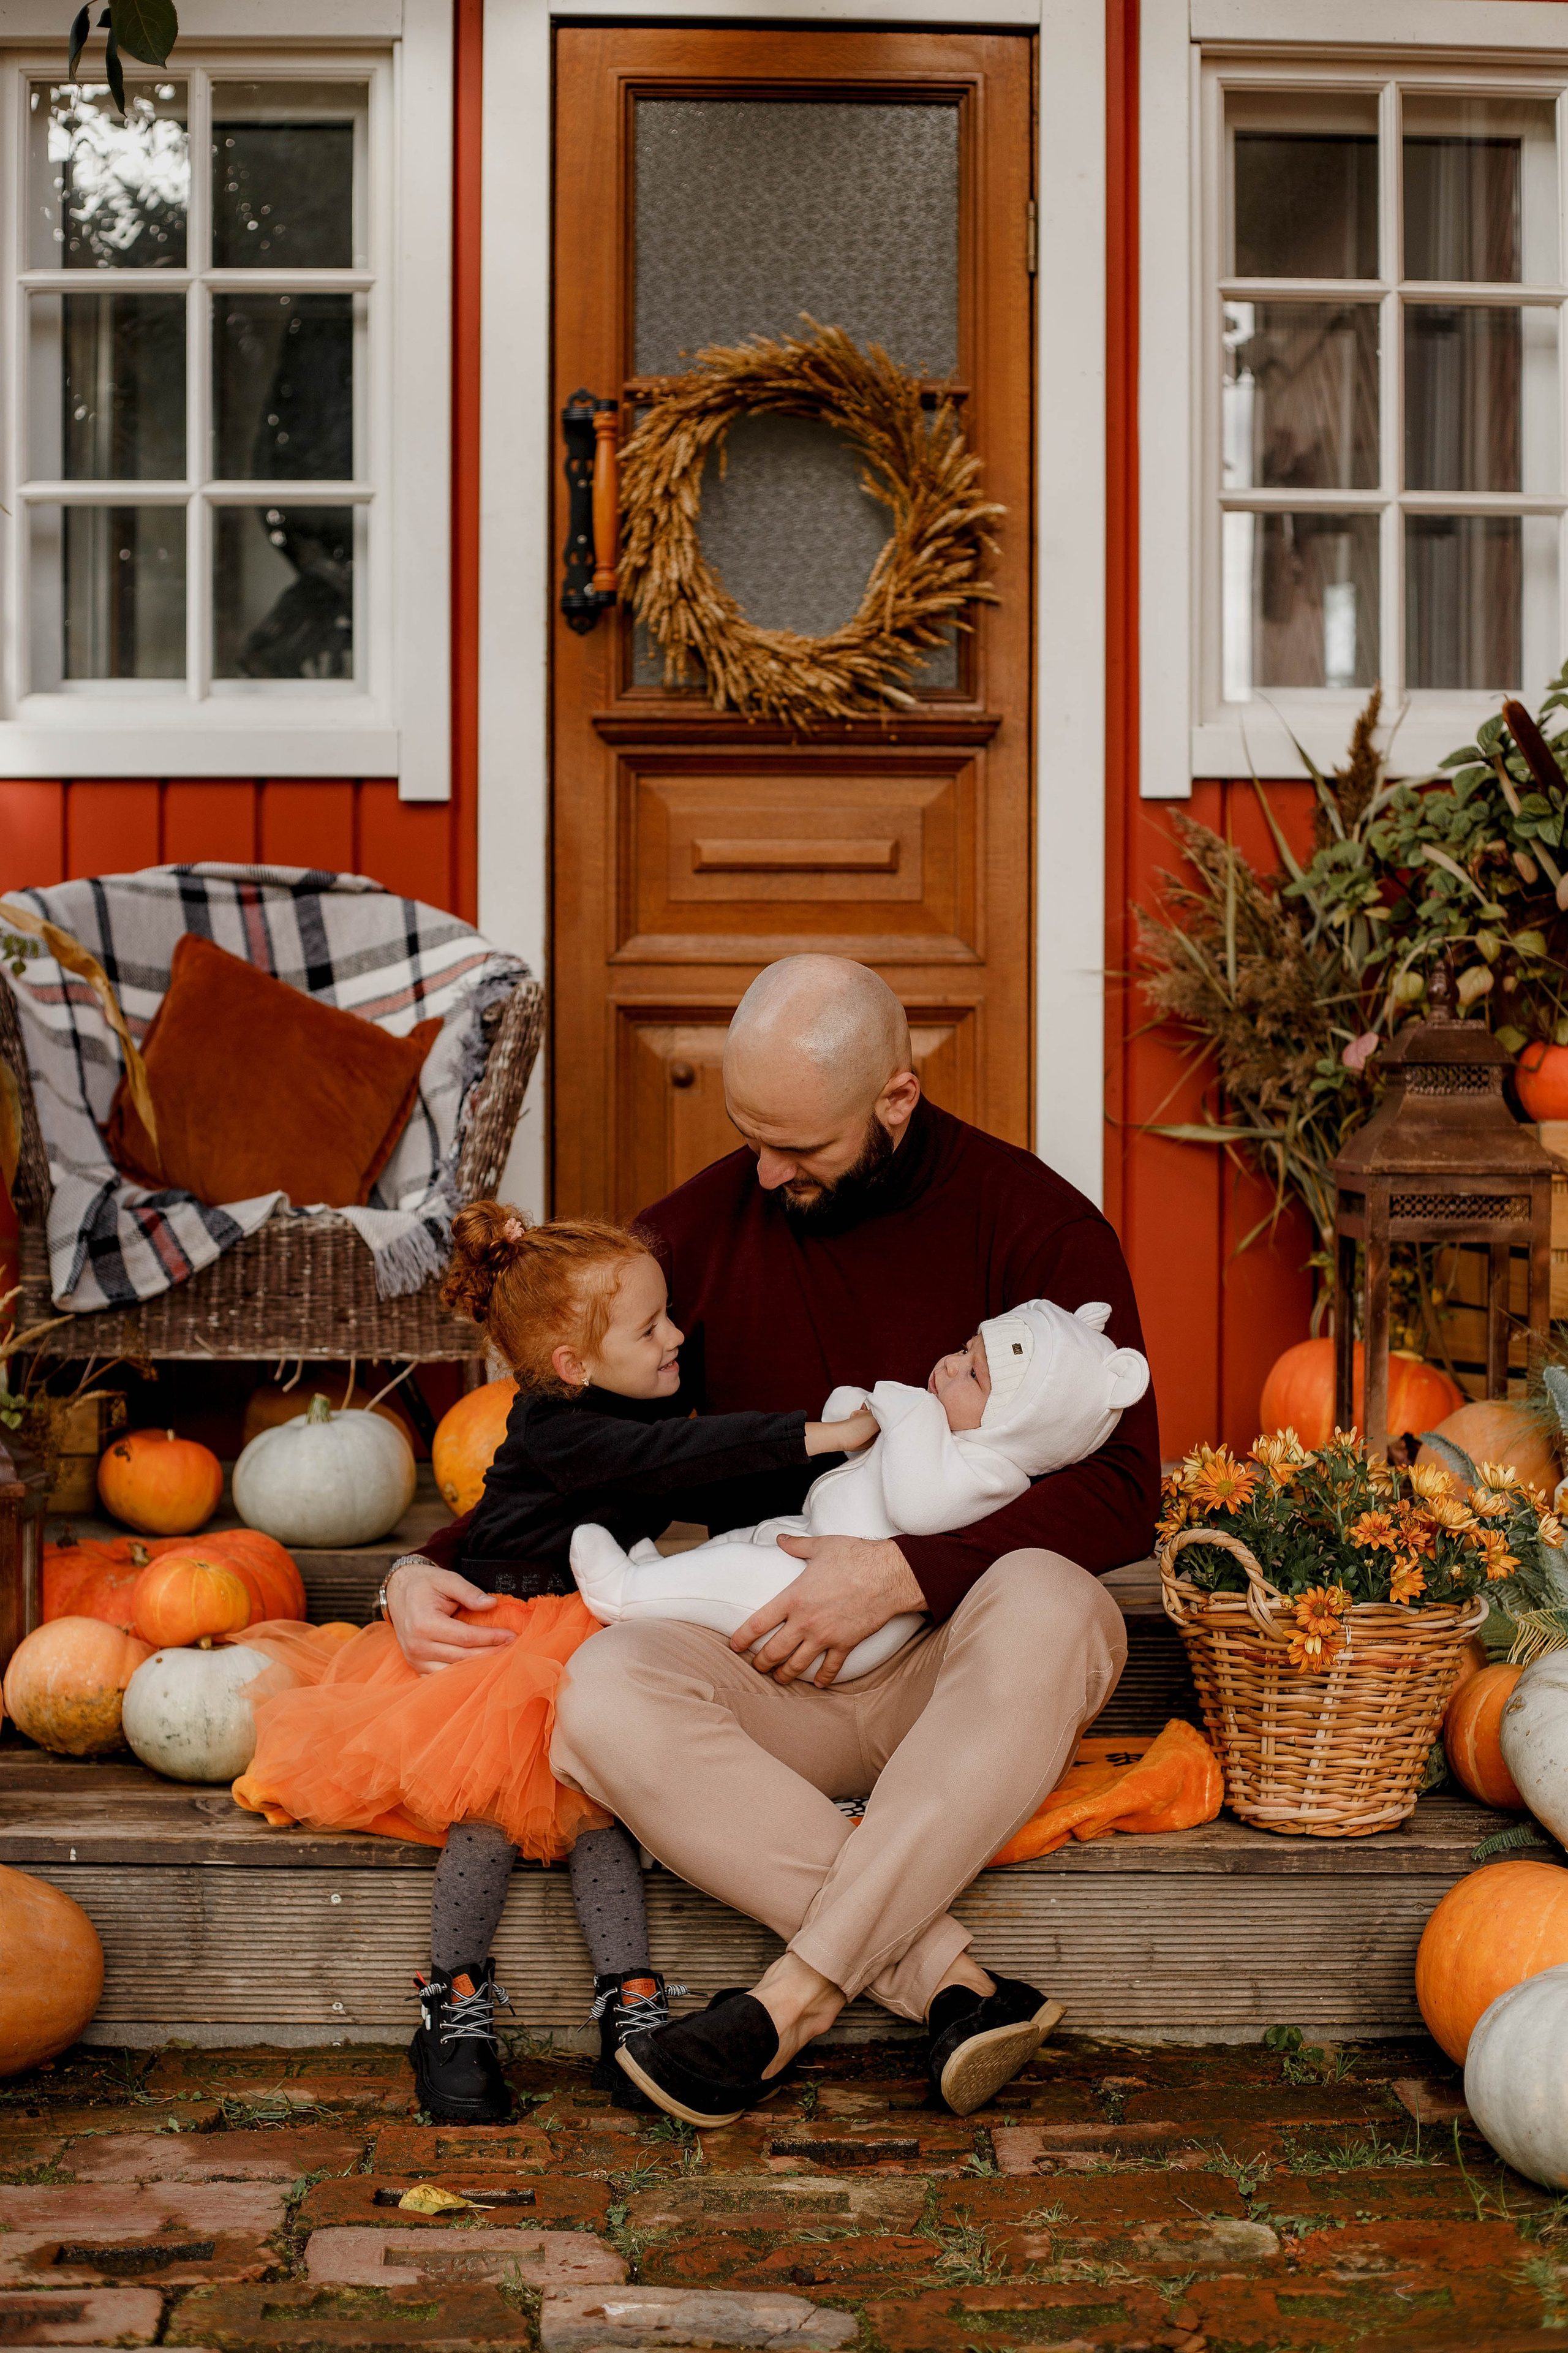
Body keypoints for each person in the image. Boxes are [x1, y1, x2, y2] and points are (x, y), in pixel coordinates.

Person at [388, 954, 1159, 2128]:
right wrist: (425, 1565)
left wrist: (903, 1571)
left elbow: (1123, 1487)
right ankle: (950, 1985)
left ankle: (793, 2000)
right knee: (600, 1691)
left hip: (963, 1682)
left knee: (1057, 1600)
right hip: (770, 1659)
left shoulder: (1037, 1227)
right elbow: (582, 1458)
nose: (766, 1171)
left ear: (896, 1101)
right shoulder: (698, 1232)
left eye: (799, 1148)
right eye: (750, 1135)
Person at [233, 1203, 875, 2125]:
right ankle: (452, 2002)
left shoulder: (628, 1399)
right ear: (576, 1365)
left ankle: (630, 2004)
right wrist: (818, 1435)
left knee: (601, 1821)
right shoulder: (560, 1428)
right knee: (488, 1818)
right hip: (502, 1644)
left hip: (592, 1631)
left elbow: (706, 1469)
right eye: (650, 1327)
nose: (677, 1337)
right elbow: (671, 1458)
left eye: (667, 1317)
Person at [569, 1297, 1150, 1682]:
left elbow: (918, 1505)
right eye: (967, 1348)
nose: (949, 1365)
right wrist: (861, 1422)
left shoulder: (998, 1474)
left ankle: (626, 1592)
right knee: (736, 1549)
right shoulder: (957, 1434)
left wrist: (909, 1412)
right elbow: (872, 1464)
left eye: (973, 1375)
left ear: (1018, 1424)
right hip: (810, 1540)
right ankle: (660, 1579)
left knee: (740, 1579)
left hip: (846, 1618)